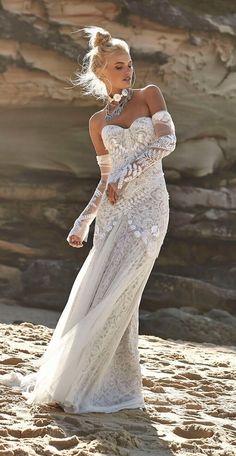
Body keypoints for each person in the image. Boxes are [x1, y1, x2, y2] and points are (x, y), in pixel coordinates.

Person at [0, 26, 176, 414]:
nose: (128, 70)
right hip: (112, 216)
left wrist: (126, 176)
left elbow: (166, 142)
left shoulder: (150, 96)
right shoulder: (98, 121)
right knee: (103, 293)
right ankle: (94, 381)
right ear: (102, 71)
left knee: (122, 291)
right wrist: (83, 221)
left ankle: (103, 384)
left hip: (149, 209)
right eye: (119, 65)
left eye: (130, 63)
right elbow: (104, 178)